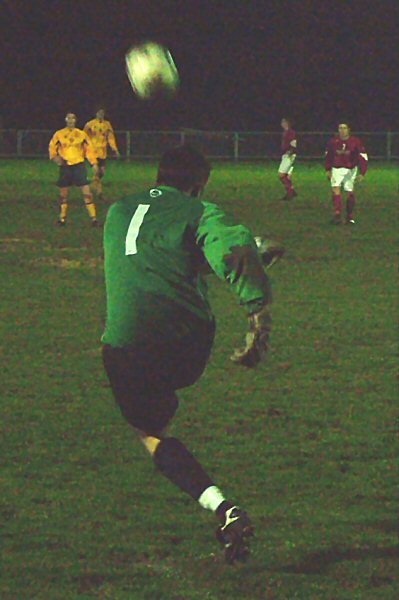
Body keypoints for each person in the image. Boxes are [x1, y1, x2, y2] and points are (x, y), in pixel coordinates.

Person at [101, 145, 278, 564]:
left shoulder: (118, 210)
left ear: (158, 175)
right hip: (187, 343)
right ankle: (226, 511)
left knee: (151, 433)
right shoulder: (200, 211)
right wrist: (258, 319)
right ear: (199, 184)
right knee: (154, 425)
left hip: (125, 347)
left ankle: (221, 506)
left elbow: (159, 252)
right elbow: (228, 249)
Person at [49, 113, 99, 226]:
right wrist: (55, 157)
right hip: (65, 167)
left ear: (75, 120)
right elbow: (52, 147)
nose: (71, 120)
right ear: (65, 120)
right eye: (68, 118)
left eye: (73, 118)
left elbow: (89, 150)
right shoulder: (59, 134)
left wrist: (93, 163)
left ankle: (94, 219)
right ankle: (62, 219)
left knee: (87, 192)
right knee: (63, 194)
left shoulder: (81, 135)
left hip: (78, 166)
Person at [325, 123, 368, 224]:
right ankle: (337, 214)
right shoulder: (333, 142)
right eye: (340, 128)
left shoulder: (355, 142)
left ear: (349, 129)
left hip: (350, 169)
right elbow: (328, 156)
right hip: (336, 168)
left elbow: (363, 157)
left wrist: (362, 172)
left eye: (344, 128)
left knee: (349, 192)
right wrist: (327, 169)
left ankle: (349, 215)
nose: (342, 130)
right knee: (335, 189)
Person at [84, 108, 120, 200]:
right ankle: (99, 193)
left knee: (101, 172)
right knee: (96, 170)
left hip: (102, 152)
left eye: (102, 113)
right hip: (92, 151)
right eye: (99, 113)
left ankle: (92, 184)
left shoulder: (107, 125)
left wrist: (114, 149)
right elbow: (83, 136)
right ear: (96, 114)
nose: (100, 114)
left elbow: (110, 138)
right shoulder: (90, 124)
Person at [278, 117, 298, 200]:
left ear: (287, 123)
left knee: (281, 175)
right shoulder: (285, 132)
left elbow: (294, 143)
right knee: (286, 176)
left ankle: (290, 193)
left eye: (284, 122)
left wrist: (291, 151)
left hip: (289, 155)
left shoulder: (291, 132)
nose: (282, 123)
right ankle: (291, 191)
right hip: (286, 155)